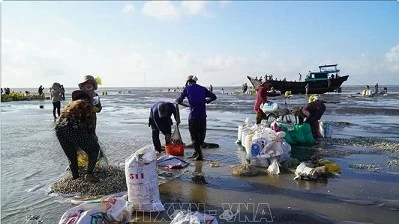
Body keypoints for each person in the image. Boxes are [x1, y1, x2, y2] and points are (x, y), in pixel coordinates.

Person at [54, 90, 100, 182]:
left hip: (59, 129)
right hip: (72, 128)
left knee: (71, 154)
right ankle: (89, 174)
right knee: (94, 149)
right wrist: (93, 136)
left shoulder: (70, 104)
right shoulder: (86, 103)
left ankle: (75, 177)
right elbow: (90, 122)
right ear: (88, 98)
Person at [176, 75, 217, 160]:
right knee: (200, 136)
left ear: (188, 82)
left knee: (194, 137)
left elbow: (179, 100)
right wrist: (206, 101)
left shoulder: (186, 89)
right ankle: (196, 152)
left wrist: (178, 101)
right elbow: (214, 97)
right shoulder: (202, 88)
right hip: (202, 117)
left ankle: (199, 156)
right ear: (195, 81)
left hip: (193, 117)